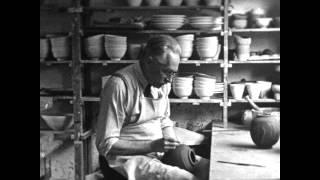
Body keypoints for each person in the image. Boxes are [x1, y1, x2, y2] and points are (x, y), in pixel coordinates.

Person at [96, 35, 209, 180]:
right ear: (149, 61)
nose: (170, 79)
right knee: (188, 179)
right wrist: (152, 146)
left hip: (157, 152)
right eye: (167, 72)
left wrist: (172, 142)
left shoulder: (162, 83)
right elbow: (106, 144)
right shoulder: (119, 86)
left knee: (207, 169)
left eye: (173, 73)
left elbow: (164, 119)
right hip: (125, 159)